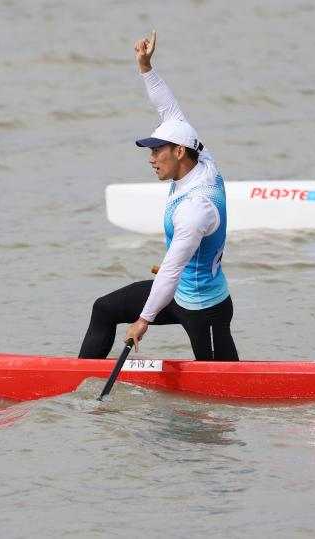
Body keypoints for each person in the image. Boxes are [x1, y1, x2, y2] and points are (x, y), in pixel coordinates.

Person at [78, 31, 238, 361]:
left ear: (179, 152)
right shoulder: (201, 158)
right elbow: (168, 108)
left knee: (225, 386)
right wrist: (146, 67)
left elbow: (170, 271)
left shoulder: (196, 209)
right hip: (176, 292)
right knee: (104, 309)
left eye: (156, 151)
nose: (151, 159)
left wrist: (143, 321)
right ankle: (77, 378)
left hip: (204, 308)